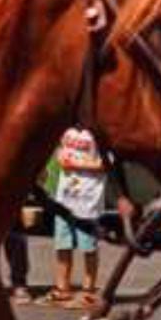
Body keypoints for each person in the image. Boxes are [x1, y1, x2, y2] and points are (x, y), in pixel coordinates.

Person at [43, 127, 106, 308]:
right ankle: (63, 288)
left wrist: (77, 165)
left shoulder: (97, 132)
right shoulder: (67, 129)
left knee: (88, 246)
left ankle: (88, 291)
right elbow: (59, 154)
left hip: (87, 200)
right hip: (64, 197)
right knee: (62, 244)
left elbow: (106, 163)